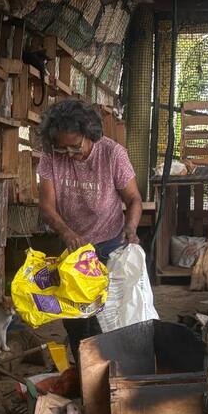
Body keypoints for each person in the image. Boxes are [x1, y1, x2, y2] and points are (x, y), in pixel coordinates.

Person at [36, 98, 143, 359]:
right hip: (74, 247)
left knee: (103, 314)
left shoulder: (112, 154)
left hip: (110, 242)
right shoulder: (51, 157)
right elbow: (46, 206)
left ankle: (108, 372)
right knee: (73, 316)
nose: (70, 155)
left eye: (75, 147)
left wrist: (130, 228)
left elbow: (133, 199)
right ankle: (83, 372)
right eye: (63, 150)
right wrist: (66, 232)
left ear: (89, 134)